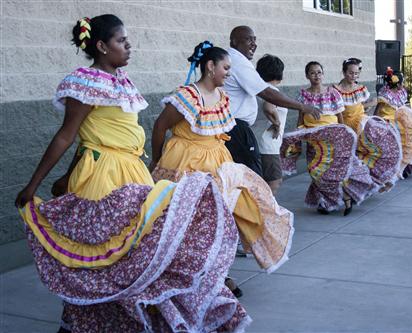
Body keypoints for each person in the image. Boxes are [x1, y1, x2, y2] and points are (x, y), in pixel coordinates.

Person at [15, 16, 249, 332]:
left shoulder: (121, 79)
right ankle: (79, 321)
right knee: (104, 257)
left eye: (127, 40)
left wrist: (65, 177)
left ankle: (127, 320)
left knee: (142, 254)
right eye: (121, 41)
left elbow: (89, 136)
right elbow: (68, 136)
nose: (129, 46)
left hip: (134, 171)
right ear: (101, 46)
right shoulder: (85, 83)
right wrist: (35, 184)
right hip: (104, 176)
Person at [149, 42, 294, 291]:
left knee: (225, 219)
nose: (229, 72)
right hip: (186, 162)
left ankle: (218, 274)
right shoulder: (187, 95)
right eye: (226, 68)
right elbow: (160, 127)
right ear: (210, 66)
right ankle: (200, 275)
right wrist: (157, 158)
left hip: (218, 160)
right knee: (192, 224)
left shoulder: (222, 97)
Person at [281, 61, 377, 216]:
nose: (316, 76)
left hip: (332, 136)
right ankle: (328, 201)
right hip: (313, 138)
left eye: (319, 72)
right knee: (316, 171)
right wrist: (297, 138)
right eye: (312, 73)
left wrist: (344, 135)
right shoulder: (303, 94)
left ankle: (344, 197)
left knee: (335, 170)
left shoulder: (332, 93)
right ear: (307, 76)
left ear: (323, 74)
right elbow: (300, 116)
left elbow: (339, 116)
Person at [223, 26, 321, 177]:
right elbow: (267, 95)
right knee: (252, 181)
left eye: (255, 39)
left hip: (238, 129)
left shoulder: (234, 59)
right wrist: (301, 108)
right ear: (235, 41)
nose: (254, 44)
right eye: (249, 39)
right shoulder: (237, 60)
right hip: (238, 130)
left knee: (246, 179)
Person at [334, 59, 402, 189]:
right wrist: (341, 128)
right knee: (349, 156)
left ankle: (379, 178)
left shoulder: (360, 89)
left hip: (361, 123)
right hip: (345, 125)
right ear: (343, 72)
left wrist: (370, 106)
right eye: (350, 73)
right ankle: (353, 185)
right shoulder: (336, 90)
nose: (353, 76)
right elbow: (337, 111)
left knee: (376, 149)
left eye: (356, 73)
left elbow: (362, 107)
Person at [374, 67, 412, 179]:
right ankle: (393, 168)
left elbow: (403, 107)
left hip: (399, 118)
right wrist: (375, 121)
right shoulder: (385, 94)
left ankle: (402, 166)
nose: (404, 84)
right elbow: (378, 109)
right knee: (396, 140)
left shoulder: (402, 92)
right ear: (398, 84)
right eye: (403, 82)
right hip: (388, 119)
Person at [254, 54, 288, 195]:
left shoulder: (258, 89)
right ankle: (266, 212)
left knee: (262, 182)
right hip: (268, 145)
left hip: (260, 142)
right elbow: (268, 107)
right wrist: (277, 123)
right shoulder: (271, 91)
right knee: (274, 181)